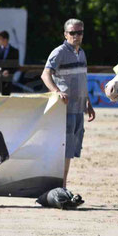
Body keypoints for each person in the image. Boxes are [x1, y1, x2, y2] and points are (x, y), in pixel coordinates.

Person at [41, 18, 95, 189]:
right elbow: (45, 75)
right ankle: (60, 186)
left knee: (70, 150)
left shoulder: (82, 53)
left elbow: (83, 80)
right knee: (63, 149)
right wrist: (57, 91)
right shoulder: (59, 52)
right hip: (64, 109)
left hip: (79, 108)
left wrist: (88, 102)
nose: (76, 36)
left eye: (80, 33)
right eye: (72, 33)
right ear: (65, 34)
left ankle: (62, 185)